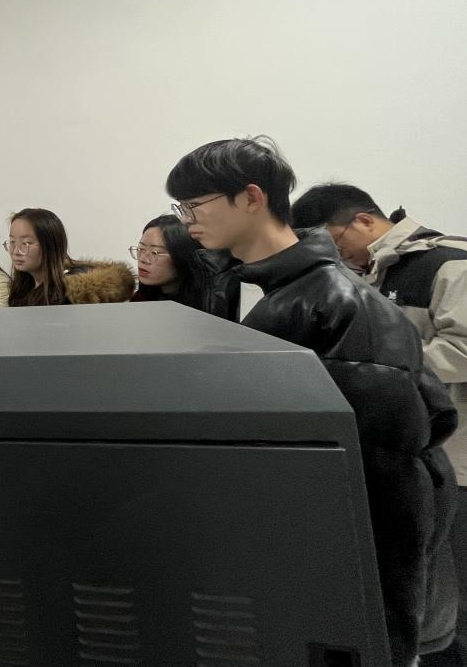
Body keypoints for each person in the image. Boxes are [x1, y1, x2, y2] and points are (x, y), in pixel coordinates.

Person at [167, 137, 457, 666]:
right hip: (296, 548)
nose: (187, 221)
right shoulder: (256, 287)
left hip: (348, 572)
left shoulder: (340, 303)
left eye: (194, 205)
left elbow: (391, 482)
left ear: (251, 197)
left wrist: (390, 637)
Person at [293, 183, 467, 665]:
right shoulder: (372, 272)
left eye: (334, 241)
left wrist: (377, 369)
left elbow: (462, 349)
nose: (335, 255)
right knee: (426, 592)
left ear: (364, 221)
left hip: (457, 459)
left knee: (454, 596)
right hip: (414, 457)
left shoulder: (449, 263)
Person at [5, 208, 134, 306]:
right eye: (12, 242)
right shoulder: (23, 290)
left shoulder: (70, 295)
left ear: (50, 245)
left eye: (26, 243)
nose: (16, 251)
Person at [130, 214, 240, 320]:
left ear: (182, 256)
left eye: (155, 252)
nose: (143, 259)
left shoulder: (209, 305)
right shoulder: (140, 299)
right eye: (141, 249)